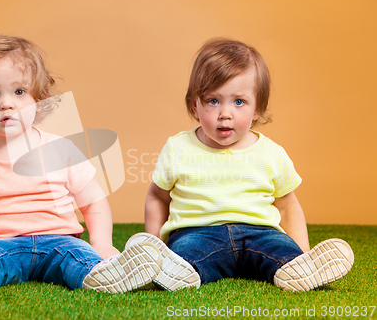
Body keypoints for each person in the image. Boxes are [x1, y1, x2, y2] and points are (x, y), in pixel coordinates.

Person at [0, 32, 167, 296]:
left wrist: (102, 244)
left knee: (80, 259)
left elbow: (93, 201)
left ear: (38, 99)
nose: (6, 104)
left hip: (60, 241)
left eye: (19, 92)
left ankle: (102, 273)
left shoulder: (61, 149)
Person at [127, 38, 354, 292]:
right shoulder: (178, 149)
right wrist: (158, 243)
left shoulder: (271, 153)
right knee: (185, 255)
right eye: (213, 101)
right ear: (195, 105)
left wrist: (302, 251)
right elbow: (157, 197)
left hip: (260, 233)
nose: (225, 113)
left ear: (258, 108)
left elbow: (288, 206)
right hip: (198, 233)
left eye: (239, 102)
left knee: (279, 250)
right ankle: (168, 268)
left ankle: (300, 267)